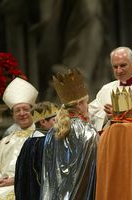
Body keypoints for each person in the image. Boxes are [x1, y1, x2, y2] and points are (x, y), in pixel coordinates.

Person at [40, 69, 98, 199]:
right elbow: (93, 171)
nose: (87, 106)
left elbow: (48, 174)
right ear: (79, 104)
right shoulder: (88, 132)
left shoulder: (51, 132)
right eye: (86, 102)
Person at [0, 77, 38, 199]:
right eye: (17, 110)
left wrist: (15, 180)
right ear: (13, 115)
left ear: (32, 111)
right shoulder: (5, 141)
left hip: (27, 187)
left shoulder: (41, 137)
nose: (22, 113)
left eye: (25, 109)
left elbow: (41, 169)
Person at [88, 47, 132, 131]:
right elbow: (91, 113)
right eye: (115, 67)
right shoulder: (107, 89)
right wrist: (107, 116)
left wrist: (120, 115)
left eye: (123, 65)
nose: (119, 71)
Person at [15, 101, 59, 200]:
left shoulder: (29, 141)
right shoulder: (44, 143)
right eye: (54, 120)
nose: (58, 123)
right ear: (43, 122)